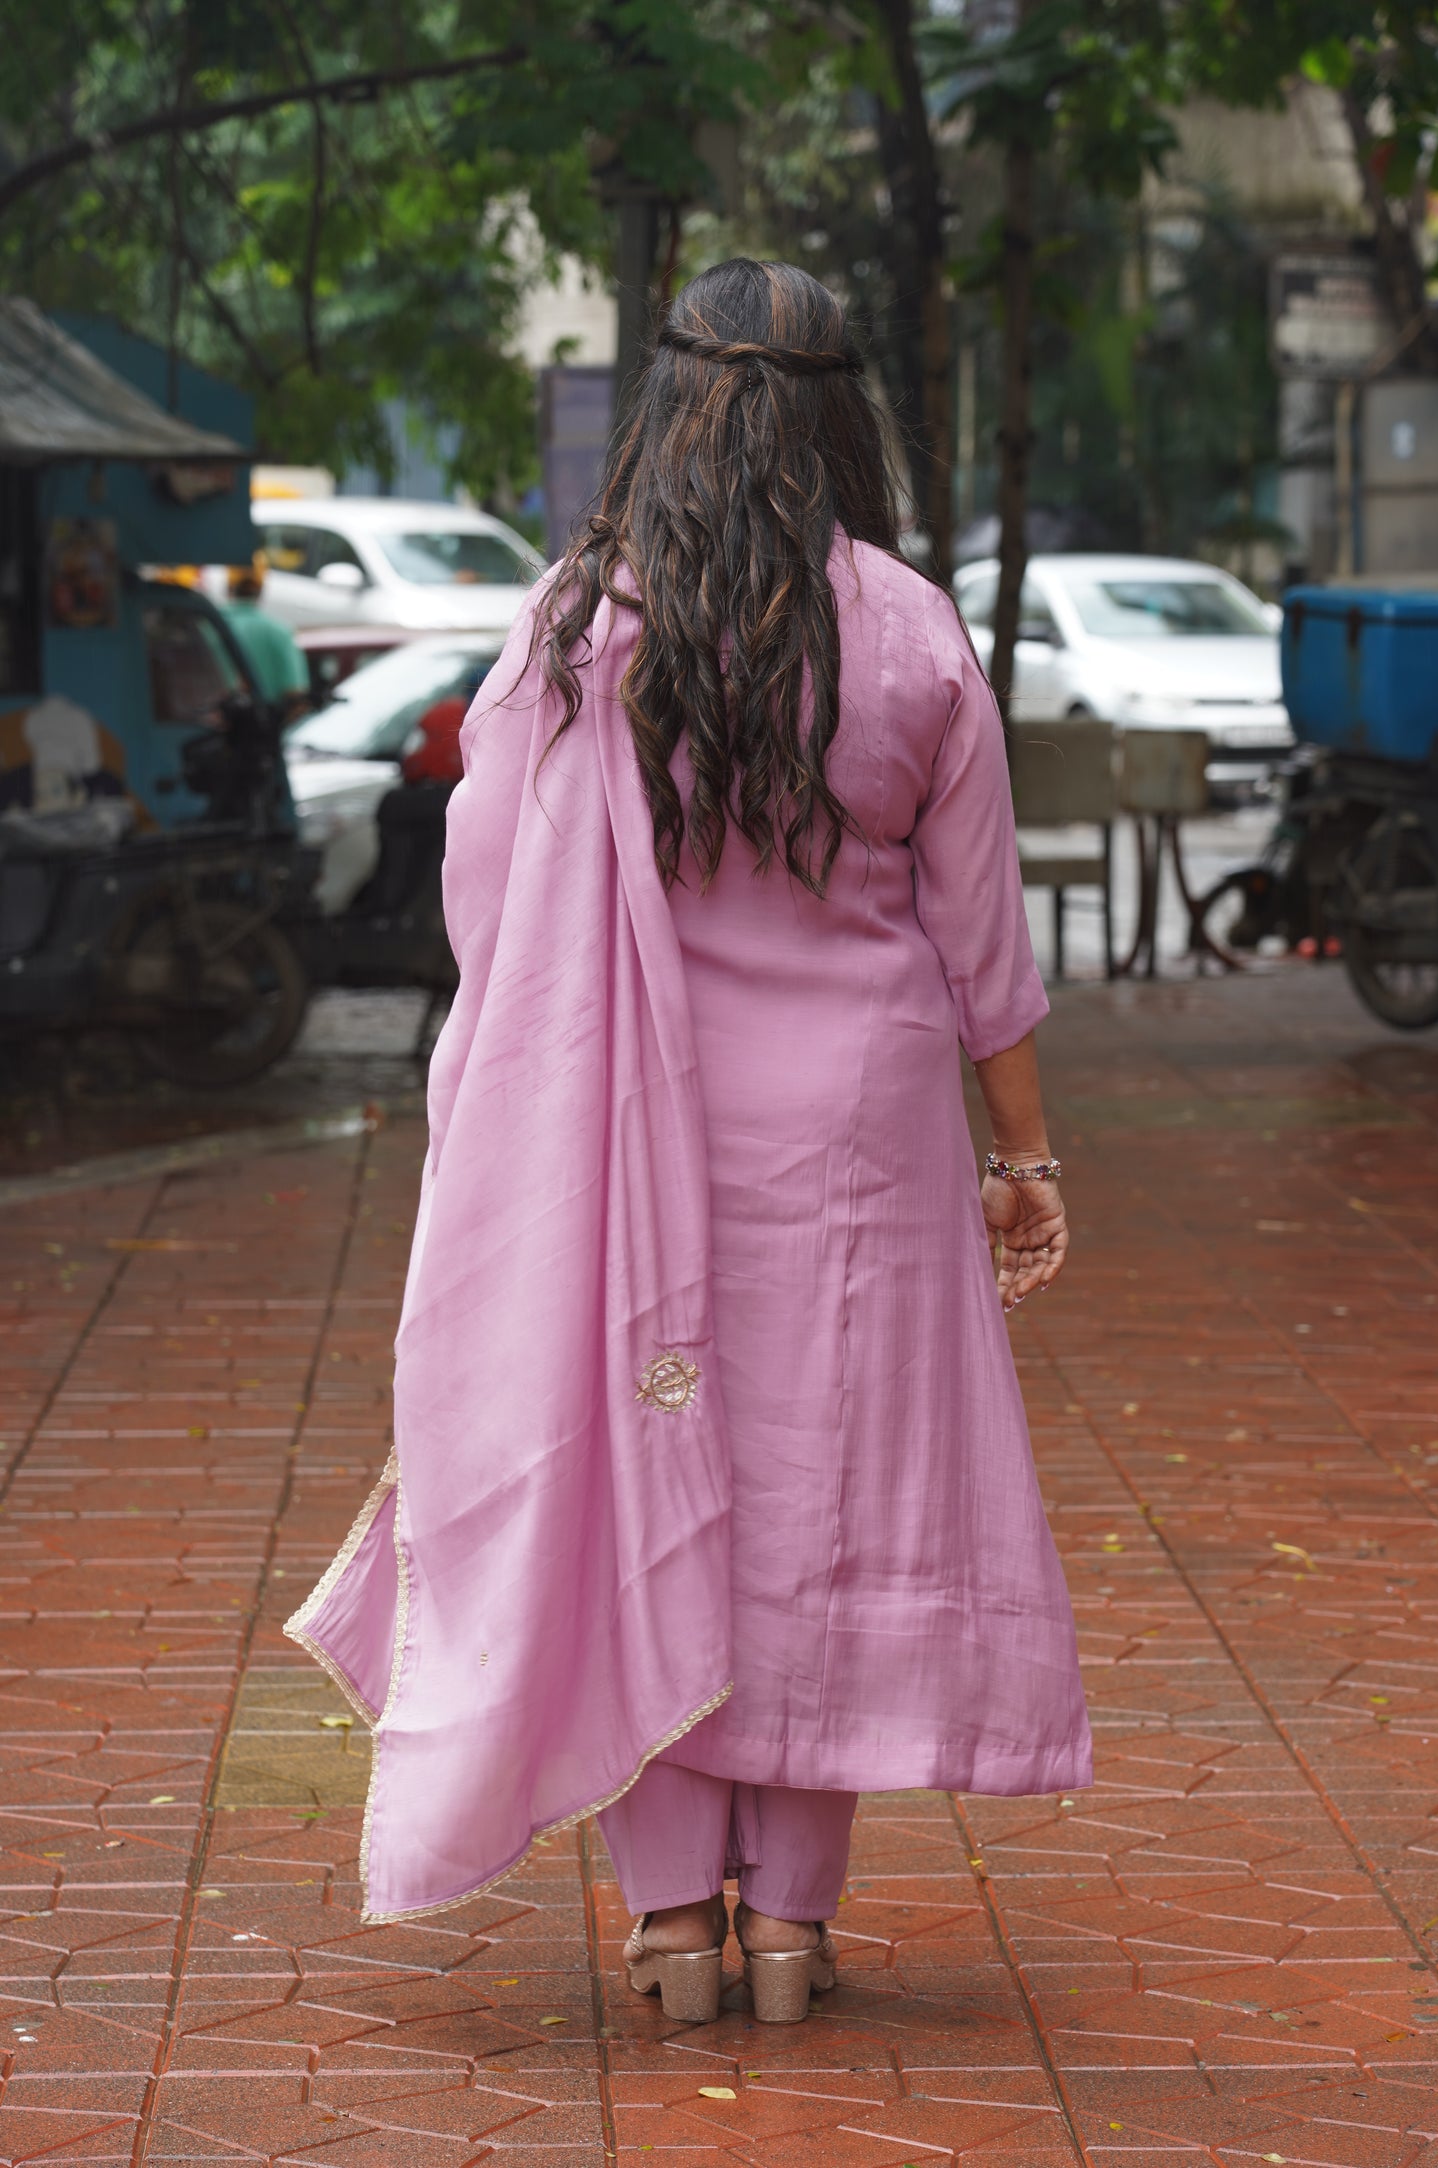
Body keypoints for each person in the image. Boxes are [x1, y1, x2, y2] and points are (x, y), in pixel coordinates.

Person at [285, 258, 1090, 2028]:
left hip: (616, 1138)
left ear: (666, 402)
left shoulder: (579, 625)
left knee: (641, 1484)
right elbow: (980, 936)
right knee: (826, 1505)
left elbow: (490, 899)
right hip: (862, 1150)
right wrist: (1023, 1159)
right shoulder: (907, 626)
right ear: (843, 416)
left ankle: (666, 1923)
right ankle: (790, 1928)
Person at [218, 557, 310, 717]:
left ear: (228, 587)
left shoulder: (206, 628)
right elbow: (296, 696)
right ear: (261, 590)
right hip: (263, 725)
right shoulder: (280, 633)